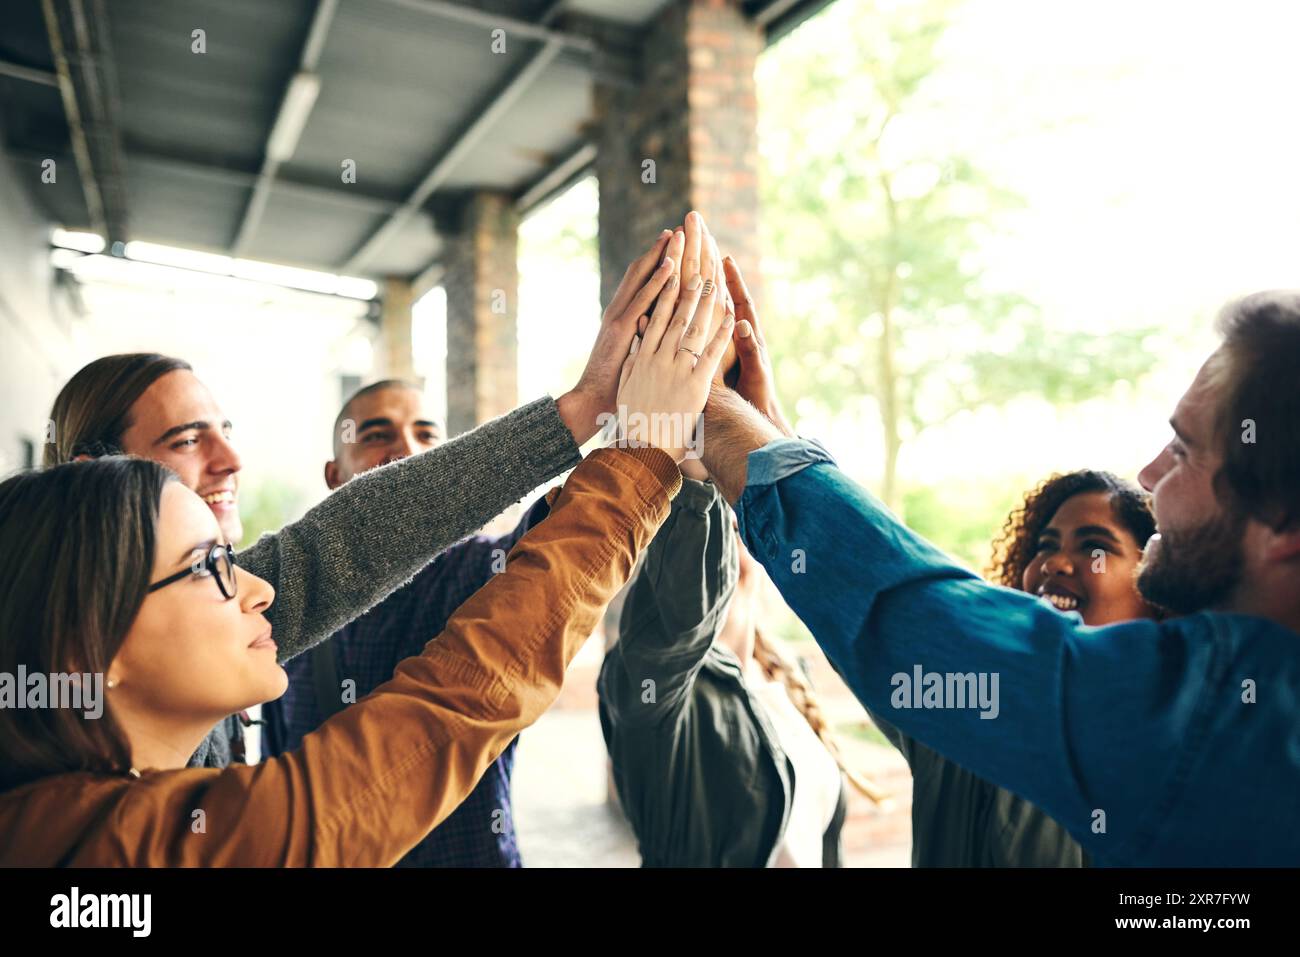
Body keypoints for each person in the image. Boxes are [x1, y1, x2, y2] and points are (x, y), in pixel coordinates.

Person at [0, 240, 736, 865]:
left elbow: (347, 540)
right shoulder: (99, 842)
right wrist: (641, 453)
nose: (259, 590)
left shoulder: (186, 660)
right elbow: (442, 713)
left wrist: (589, 413)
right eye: (187, 440)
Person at [697, 272, 1300, 865]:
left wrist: (703, 405)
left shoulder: (1232, 717)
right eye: (1045, 542)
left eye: (1185, 450)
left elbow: (917, 622)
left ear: (1283, 521)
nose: (1149, 474)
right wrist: (767, 436)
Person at [261, 379, 549, 867]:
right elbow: (275, 775)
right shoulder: (285, 609)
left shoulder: (483, 572)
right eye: (376, 435)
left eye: (426, 435)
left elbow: (552, 545)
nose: (408, 450)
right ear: (335, 476)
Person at [868, 469, 1159, 866]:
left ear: (1155, 584)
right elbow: (865, 595)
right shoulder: (965, 705)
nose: (1055, 562)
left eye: (1094, 546)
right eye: (1045, 545)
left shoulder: (1184, 754)